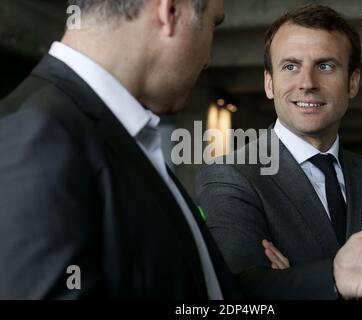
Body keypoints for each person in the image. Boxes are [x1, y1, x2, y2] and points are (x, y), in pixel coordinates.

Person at [196, 5, 362, 299]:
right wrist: (345, 281)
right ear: (269, 83)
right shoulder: (230, 176)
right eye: (290, 66)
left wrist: (298, 278)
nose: (307, 83)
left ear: (352, 82)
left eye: (325, 66)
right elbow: (239, 292)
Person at [0, 0, 244, 299]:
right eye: (213, 25)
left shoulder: (116, 132)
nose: (207, 58)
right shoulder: (38, 135)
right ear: (170, 12)